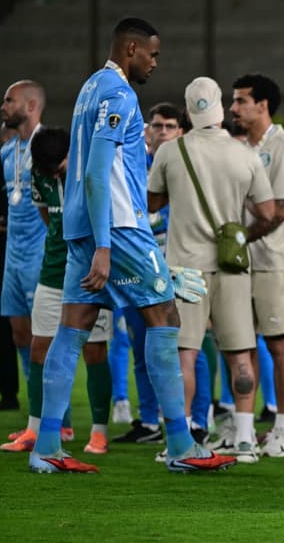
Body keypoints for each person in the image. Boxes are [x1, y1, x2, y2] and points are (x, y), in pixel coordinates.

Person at [28, 17, 235, 473]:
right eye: (152, 54)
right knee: (166, 318)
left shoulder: (89, 89)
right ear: (131, 49)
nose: (155, 63)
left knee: (72, 329)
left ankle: (45, 448)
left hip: (82, 228)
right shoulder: (120, 94)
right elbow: (97, 171)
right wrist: (106, 246)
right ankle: (180, 444)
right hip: (118, 229)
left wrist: (94, 241)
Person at [148, 76, 276, 464]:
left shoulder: (171, 151)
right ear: (220, 107)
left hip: (185, 268)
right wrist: (236, 226)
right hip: (232, 265)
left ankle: (182, 438)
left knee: (185, 354)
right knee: (240, 354)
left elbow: (151, 203)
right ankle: (245, 440)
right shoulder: (244, 153)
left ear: (188, 111)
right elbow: (268, 212)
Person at [1, 126, 115, 454]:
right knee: (39, 348)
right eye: (48, 169)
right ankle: (34, 429)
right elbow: (48, 218)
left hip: (90, 276)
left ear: (72, 154)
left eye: (59, 166)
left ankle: (99, 432)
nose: (54, 174)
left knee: (95, 351)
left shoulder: (93, 171)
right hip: (52, 272)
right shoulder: (40, 174)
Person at [229, 72, 284, 458]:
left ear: (262, 105)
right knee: (242, 345)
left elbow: (282, 209)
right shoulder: (239, 147)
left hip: (273, 260)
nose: (233, 108)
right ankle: (242, 428)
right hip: (240, 261)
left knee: (279, 345)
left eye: (241, 100)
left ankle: (282, 431)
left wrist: (241, 237)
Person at [111, 102, 185, 433]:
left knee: (187, 347)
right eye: (158, 126)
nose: (163, 132)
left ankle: (197, 416)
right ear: (147, 131)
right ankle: (149, 420)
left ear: (180, 132)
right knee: (140, 344)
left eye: (170, 126)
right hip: (136, 263)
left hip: (177, 264)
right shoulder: (130, 165)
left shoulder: (186, 166)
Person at [0, 80, 47, 407]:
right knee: (19, 335)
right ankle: (36, 412)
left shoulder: (51, 147)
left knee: (44, 339)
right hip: (12, 257)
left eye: (9, 100)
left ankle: (59, 421)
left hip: (40, 255)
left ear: (31, 106)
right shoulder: (7, 151)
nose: (3, 107)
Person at [0, 123, 19, 410]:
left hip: (29, 260)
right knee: (3, 332)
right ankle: (8, 395)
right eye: (10, 138)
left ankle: (46, 407)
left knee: (33, 333)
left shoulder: (38, 168)